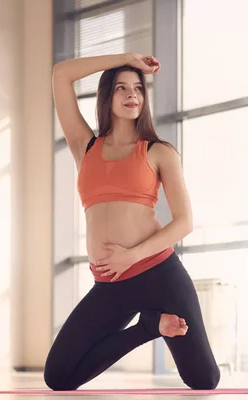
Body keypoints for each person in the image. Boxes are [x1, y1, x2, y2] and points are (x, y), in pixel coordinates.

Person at [44, 52, 220, 391]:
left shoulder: (159, 152)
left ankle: (154, 321)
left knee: (204, 380)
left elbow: (184, 222)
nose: (131, 95)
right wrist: (126, 58)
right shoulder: (86, 146)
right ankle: (149, 327)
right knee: (58, 377)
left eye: (138, 88)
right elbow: (61, 74)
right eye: (121, 88)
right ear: (107, 97)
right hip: (110, 283)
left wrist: (131, 255)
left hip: (160, 275)